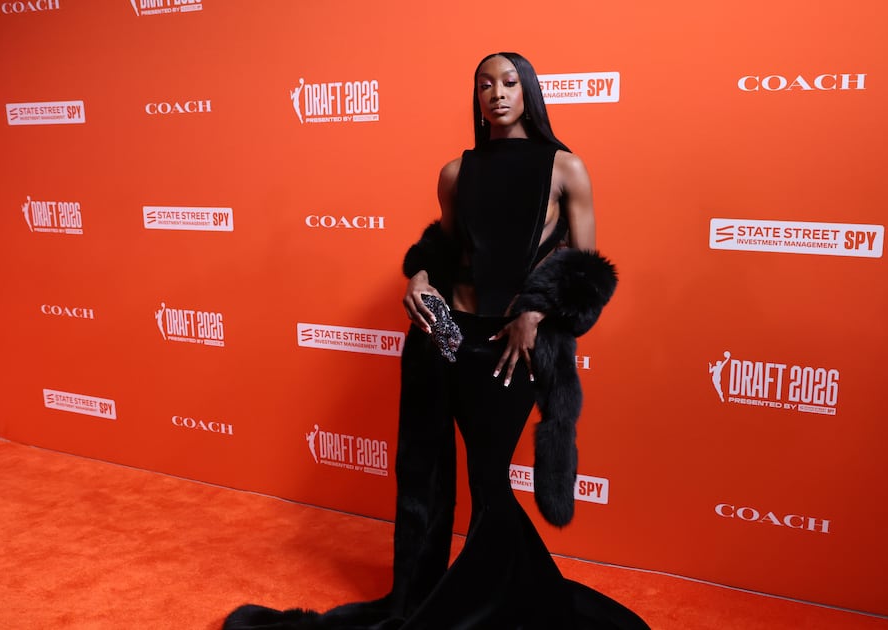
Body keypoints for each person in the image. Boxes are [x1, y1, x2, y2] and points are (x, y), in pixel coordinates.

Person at [224, 52, 647, 629]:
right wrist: (419, 276)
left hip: (507, 343)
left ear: (528, 91)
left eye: (509, 82)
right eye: (485, 85)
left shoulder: (565, 168)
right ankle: (422, 594)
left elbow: (587, 266)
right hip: (442, 334)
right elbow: (446, 250)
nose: (497, 93)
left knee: (488, 479)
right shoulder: (455, 172)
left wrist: (536, 313)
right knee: (424, 476)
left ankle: (488, 604)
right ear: (476, 97)